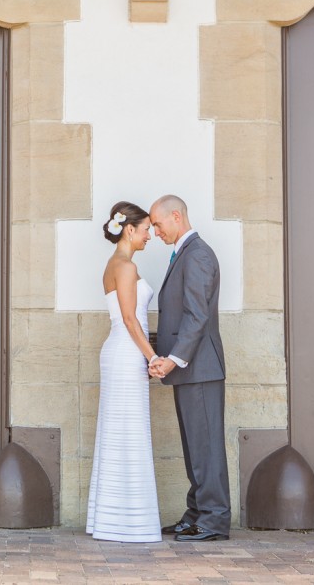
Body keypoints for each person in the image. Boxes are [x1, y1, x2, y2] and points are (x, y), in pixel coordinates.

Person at [147, 195, 230, 542]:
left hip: (200, 368)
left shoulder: (197, 255)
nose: (155, 232)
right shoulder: (185, 253)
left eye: (158, 224)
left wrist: (173, 358)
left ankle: (214, 520)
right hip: (190, 369)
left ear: (176, 217)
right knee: (195, 447)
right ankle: (196, 514)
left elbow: (197, 316)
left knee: (206, 447)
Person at [85, 201, 162, 543]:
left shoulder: (112, 264)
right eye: (146, 229)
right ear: (129, 230)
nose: (150, 236)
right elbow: (130, 319)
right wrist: (153, 357)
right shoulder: (126, 267)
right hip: (127, 352)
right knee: (129, 432)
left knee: (123, 432)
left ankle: (112, 518)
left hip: (120, 351)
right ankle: (127, 521)